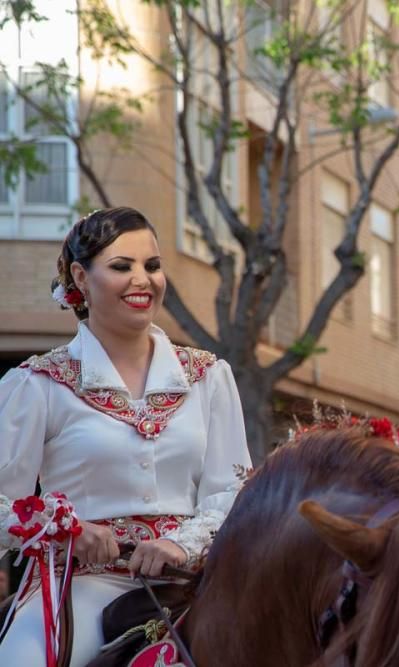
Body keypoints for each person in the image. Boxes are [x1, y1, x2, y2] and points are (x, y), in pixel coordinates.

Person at [0, 207, 251, 666]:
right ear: (81, 275)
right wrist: (68, 532)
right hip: (81, 589)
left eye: (152, 266)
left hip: (196, 583)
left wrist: (182, 543)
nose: (143, 280)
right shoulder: (36, 385)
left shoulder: (210, 376)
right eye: (122, 267)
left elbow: (233, 491)